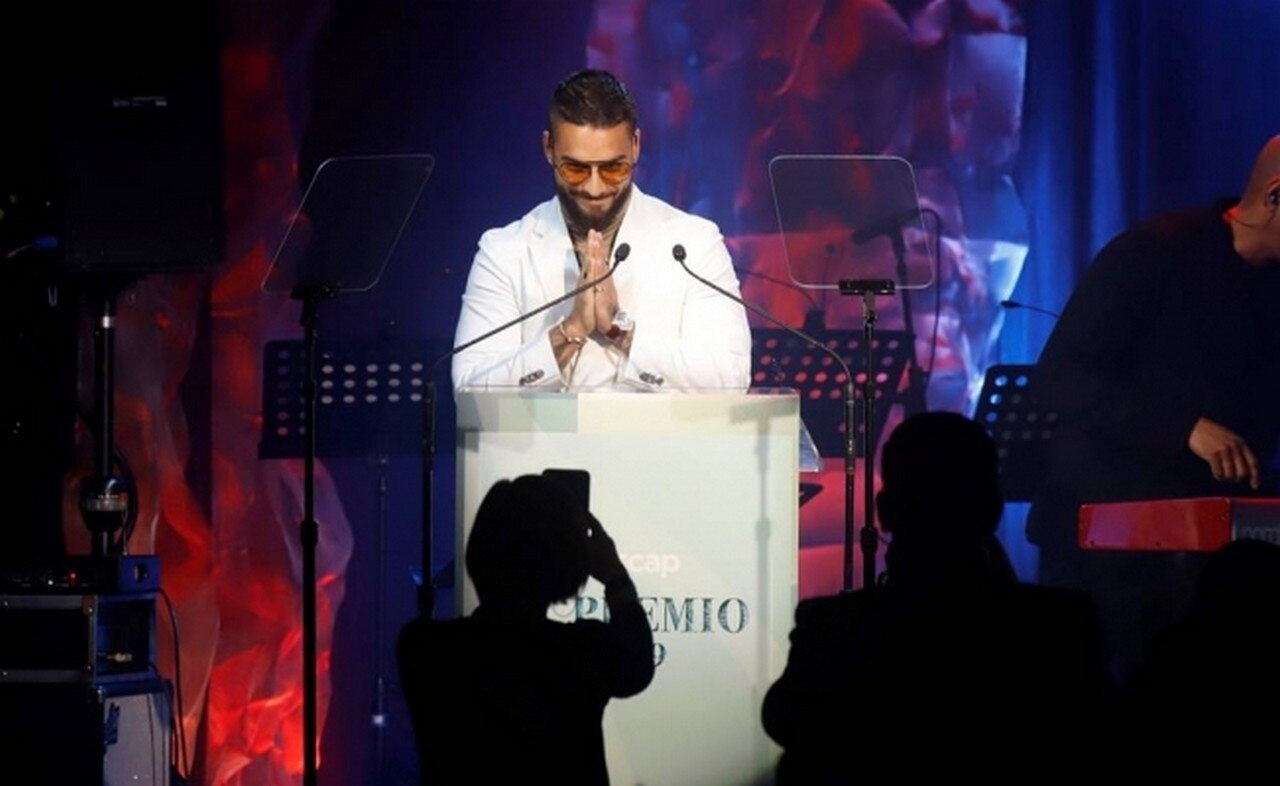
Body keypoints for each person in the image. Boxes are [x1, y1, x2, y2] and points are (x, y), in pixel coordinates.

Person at [1026, 134, 1280, 679]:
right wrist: (1185, 428)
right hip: (1110, 554)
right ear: (1275, 197)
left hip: (1218, 556)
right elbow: (1060, 377)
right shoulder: (1156, 252)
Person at [761, 412, 1114, 781]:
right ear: (993, 511)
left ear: (884, 513)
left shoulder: (833, 627)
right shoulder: (1061, 626)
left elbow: (786, 720)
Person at [451, 69, 751, 392]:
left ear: (635, 146)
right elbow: (468, 389)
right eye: (576, 169)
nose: (594, 188)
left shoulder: (694, 245)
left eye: (613, 168)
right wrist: (570, 329)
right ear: (548, 148)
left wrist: (621, 331)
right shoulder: (504, 251)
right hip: (545, 444)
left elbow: (731, 379)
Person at [396, 473, 654, 785]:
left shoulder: (426, 651)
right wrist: (613, 574)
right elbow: (637, 666)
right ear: (570, 563)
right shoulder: (584, 653)